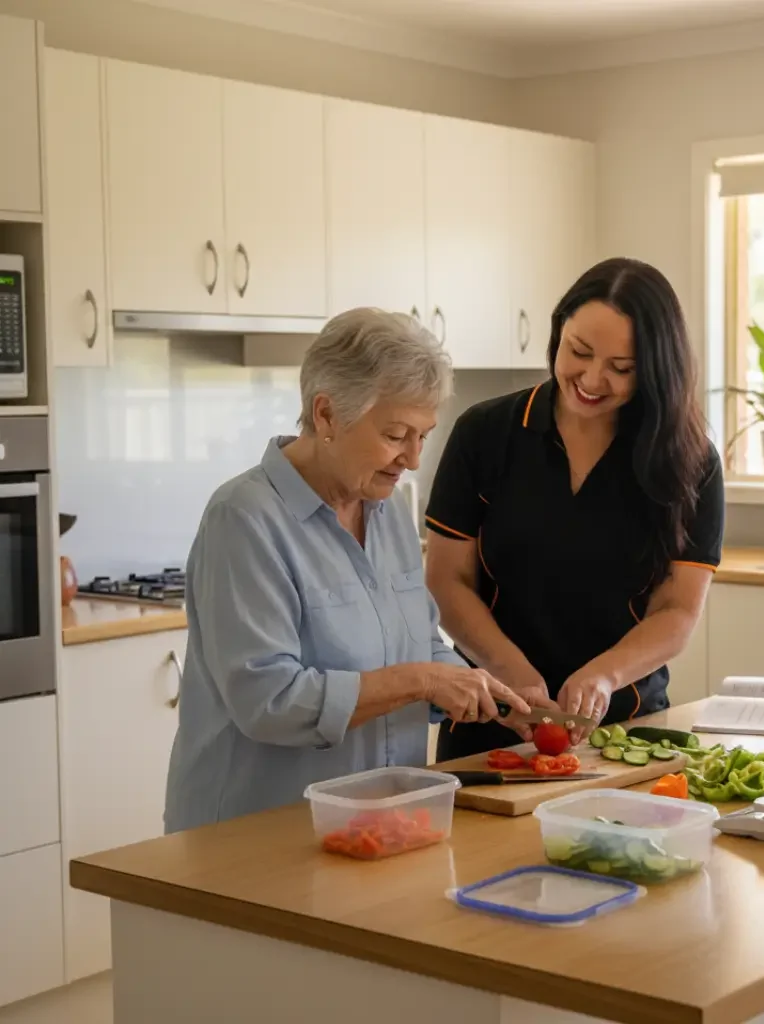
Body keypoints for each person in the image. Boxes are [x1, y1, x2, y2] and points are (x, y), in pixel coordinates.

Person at [164, 308, 528, 833]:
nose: (413, 458)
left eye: (423, 435)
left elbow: (419, 644)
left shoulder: (391, 513)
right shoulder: (243, 519)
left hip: (380, 823)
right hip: (257, 835)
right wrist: (422, 680)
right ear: (327, 415)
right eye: (396, 434)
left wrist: (478, 686)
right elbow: (269, 700)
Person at [424, 257, 724, 760]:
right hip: (491, 723)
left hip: (628, 734)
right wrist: (510, 670)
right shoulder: (485, 434)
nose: (591, 378)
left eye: (621, 369)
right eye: (578, 351)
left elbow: (677, 611)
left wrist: (605, 674)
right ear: (557, 330)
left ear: (654, 369)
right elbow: (447, 581)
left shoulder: (690, 461)